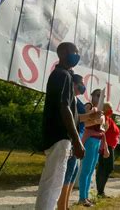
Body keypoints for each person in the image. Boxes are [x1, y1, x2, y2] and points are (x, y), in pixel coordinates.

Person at [36, 42, 85, 210]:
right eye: (74, 52)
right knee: (52, 184)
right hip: (59, 136)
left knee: (55, 183)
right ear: (63, 53)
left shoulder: (64, 75)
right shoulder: (61, 75)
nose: (77, 56)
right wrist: (77, 140)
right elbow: (64, 108)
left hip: (62, 138)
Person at [57, 75, 102, 210]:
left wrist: (94, 119)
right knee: (69, 171)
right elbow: (75, 118)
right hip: (72, 139)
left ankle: (65, 204)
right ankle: (61, 205)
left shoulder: (76, 100)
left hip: (77, 137)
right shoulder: (70, 100)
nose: (83, 86)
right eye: (81, 83)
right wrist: (90, 116)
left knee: (73, 170)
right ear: (73, 84)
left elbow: (83, 120)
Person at [79, 89, 109, 207]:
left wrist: (105, 146)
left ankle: (86, 196)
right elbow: (84, 123)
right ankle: (82, 197)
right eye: (97, 95)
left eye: (101, 96)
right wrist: (95, 120)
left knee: (91, 170)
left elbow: (102, 130)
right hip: (90, 140)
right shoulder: (89, 106)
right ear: (92, 96)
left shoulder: (101, 112)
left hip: (97, 141)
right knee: (86, 170)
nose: (99, 98)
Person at [96, 102, 120, 198]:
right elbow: (102, 132)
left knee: (103, 168)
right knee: (107, 168)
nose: (111, 110)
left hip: (109, 146)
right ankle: (100, 191)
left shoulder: (109, 119)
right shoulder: (105, 118)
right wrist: (105, 147)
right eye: (109, 108)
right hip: (107, 147)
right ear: (104, 109)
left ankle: (100, 191)